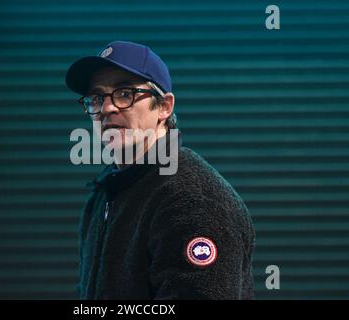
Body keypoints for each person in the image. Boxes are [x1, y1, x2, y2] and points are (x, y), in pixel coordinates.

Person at [65, 40, 255, 299]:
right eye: (97, 98)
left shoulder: (190, 199)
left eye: (124, 94)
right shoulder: (105, 193)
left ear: (164, 106)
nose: (107, 109)